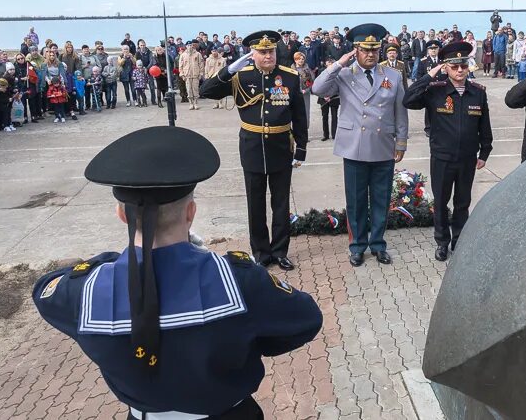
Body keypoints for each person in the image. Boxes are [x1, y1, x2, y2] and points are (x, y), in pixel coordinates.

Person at [32, 126, 322, 420]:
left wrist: (111, 261)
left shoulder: (83, 293)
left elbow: (44, 290)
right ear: (190, 212)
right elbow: (307, 319)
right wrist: (248, 342)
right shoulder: (239, 282)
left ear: (122, 215)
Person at [201, 31, 308, 271]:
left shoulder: (289, 77)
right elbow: (206, 91)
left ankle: (280, 251)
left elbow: (300, 116)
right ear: (253, 53)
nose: (268, 55)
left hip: (281, 146)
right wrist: (228, 70)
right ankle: (261, 253)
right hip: (252, 147)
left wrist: (301, 147)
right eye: (262, 51)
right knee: (255, 203)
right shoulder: (241, 76)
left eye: (271, 51)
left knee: (281, 203)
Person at [312, 23, 408, 267]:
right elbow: (317, 88)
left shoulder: (393, 76)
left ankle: (377, 244)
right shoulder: (344, 74)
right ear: (355, 50)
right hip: (354, 146)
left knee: (381, 199)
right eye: (365, 50)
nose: (371, 54)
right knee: (355, 201)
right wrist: (339, 63)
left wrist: (401, 142)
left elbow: (400, 111)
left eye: (375, 50)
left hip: (382, 145)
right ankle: (357, 246)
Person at [403, 42, 493, 262]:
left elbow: (485, 126)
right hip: (442, 158)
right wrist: (430, 74)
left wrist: (484, 154)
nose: (460, 70)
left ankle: (459, 240)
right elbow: (408, 99)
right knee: (441, 203)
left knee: (463, 203)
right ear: (446, 68)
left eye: (463, 65)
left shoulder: (477, 93)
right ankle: (442, 243)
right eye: (454, 66)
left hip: (467, 160)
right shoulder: (435, 91)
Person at [178, 41, 205, 110]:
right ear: (186, 46)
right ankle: (191, 103)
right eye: (188, 45)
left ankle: (195, 103)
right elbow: (180, 66)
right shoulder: (183, 55)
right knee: (189, 90)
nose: (189, 46)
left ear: (192, 46)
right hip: (187, 75)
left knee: (195, 89)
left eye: (190, 45)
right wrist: (182, 75)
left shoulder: (197, 54)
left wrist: (201, 74)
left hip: (195, 74)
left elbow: (201, 64)